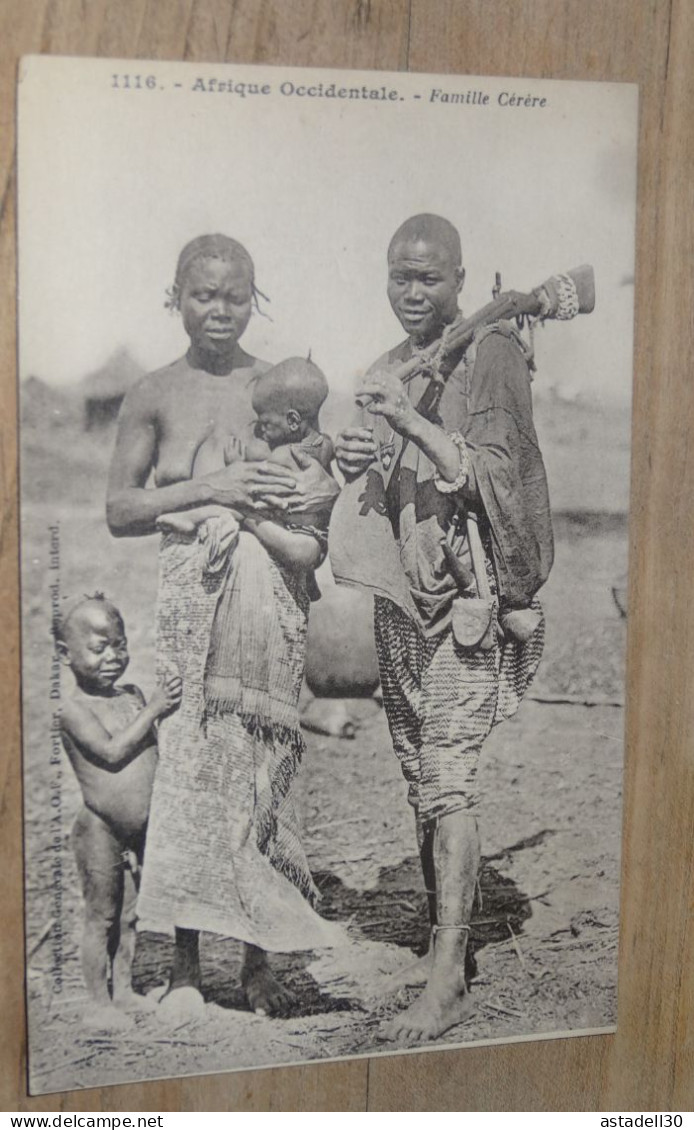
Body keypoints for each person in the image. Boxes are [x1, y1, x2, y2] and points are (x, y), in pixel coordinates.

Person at [106, 234, 341, 1021]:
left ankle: (259, 965)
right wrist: (212, 487)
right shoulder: (151, 392)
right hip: (187, 596)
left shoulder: (277, 386)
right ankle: (180, 970)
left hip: (268, 596)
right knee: (183, 776)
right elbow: (120, 509)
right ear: (175, 296)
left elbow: (320, 479)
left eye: (235, 295)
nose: (220, 309)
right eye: (203, 294)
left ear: (255, 298)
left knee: (261, 773)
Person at [331, 213, 554, 1043]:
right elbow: (385, 495)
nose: (411, 292)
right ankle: (444, 953)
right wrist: (358, 457)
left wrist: (412, 421)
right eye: (398, 275)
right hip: (403, 602)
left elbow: (499, 472)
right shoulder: (387, 366)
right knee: (418, 779)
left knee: (449, 778)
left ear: (460, 279)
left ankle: (448, 980)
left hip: (471, 601)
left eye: (427, 277)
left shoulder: (491, 355)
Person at [55, 594, 182, 1029]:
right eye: (98, 648)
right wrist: (153, 710)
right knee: (101, 916)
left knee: (129, 915)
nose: (112, 657)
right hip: (99, 829)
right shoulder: (72, 709)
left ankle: (124, 991)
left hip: (138, 828)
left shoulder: (132, 695)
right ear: (65, 654)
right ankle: (98, 1003)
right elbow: (111, 752)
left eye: (120, 645)